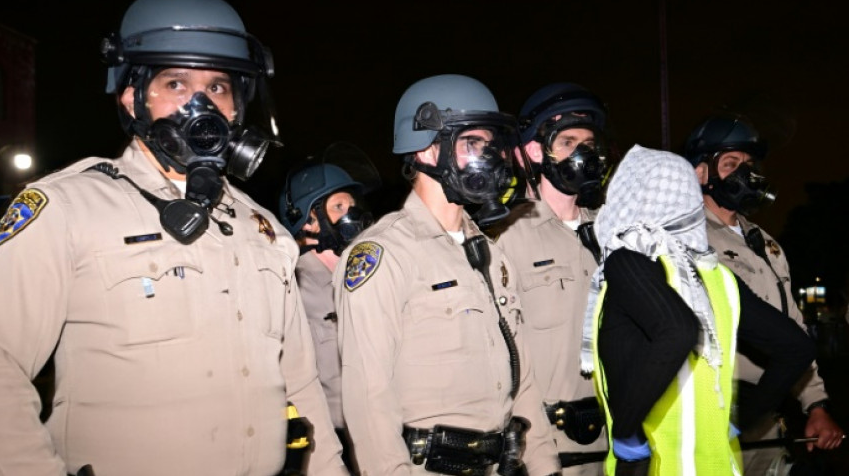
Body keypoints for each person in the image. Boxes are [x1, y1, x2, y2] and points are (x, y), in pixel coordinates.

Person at [0, 0, 347, 476]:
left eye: (218, 87)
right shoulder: (67, 206)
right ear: (133, 95)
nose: (201, 104)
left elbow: (301, 385)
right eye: (176, 84)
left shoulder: (262, 230)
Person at [334, 74, 561, 476]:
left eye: (492, 146)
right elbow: (369, 399)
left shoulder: (490, 252)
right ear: (424, 150)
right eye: (472, 143)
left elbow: (523, 382)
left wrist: (546, 467)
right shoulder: (383, 254)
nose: (489, 159)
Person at [579, 144, 816, 476]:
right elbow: (798, 347)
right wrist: (741, 419)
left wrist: (627, 433)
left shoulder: (628, 262)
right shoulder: (717, 275)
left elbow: (678, 331)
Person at [683, 114, 844, 473]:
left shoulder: (766, 244)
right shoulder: (685, 239)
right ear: (701, 173)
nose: (745, 173)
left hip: (768, 420)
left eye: (748, 164)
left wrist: (815, 406)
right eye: (730, 164)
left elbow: (793, 328)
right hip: (711, 416)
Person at [488, 82, 613, 475]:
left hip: (614, 443)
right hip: (544, 448)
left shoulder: (612, 234)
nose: (584, 154)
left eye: (588, 143)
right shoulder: (504, 238)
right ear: (534, 151)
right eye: (569, 141)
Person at [279, 161, 375, 474]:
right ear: (309, 219)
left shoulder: (365, 272)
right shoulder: (291, 286)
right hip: (331, 442)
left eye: (351, 204)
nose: (352, 213)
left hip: (381, 429)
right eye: (338, 205)